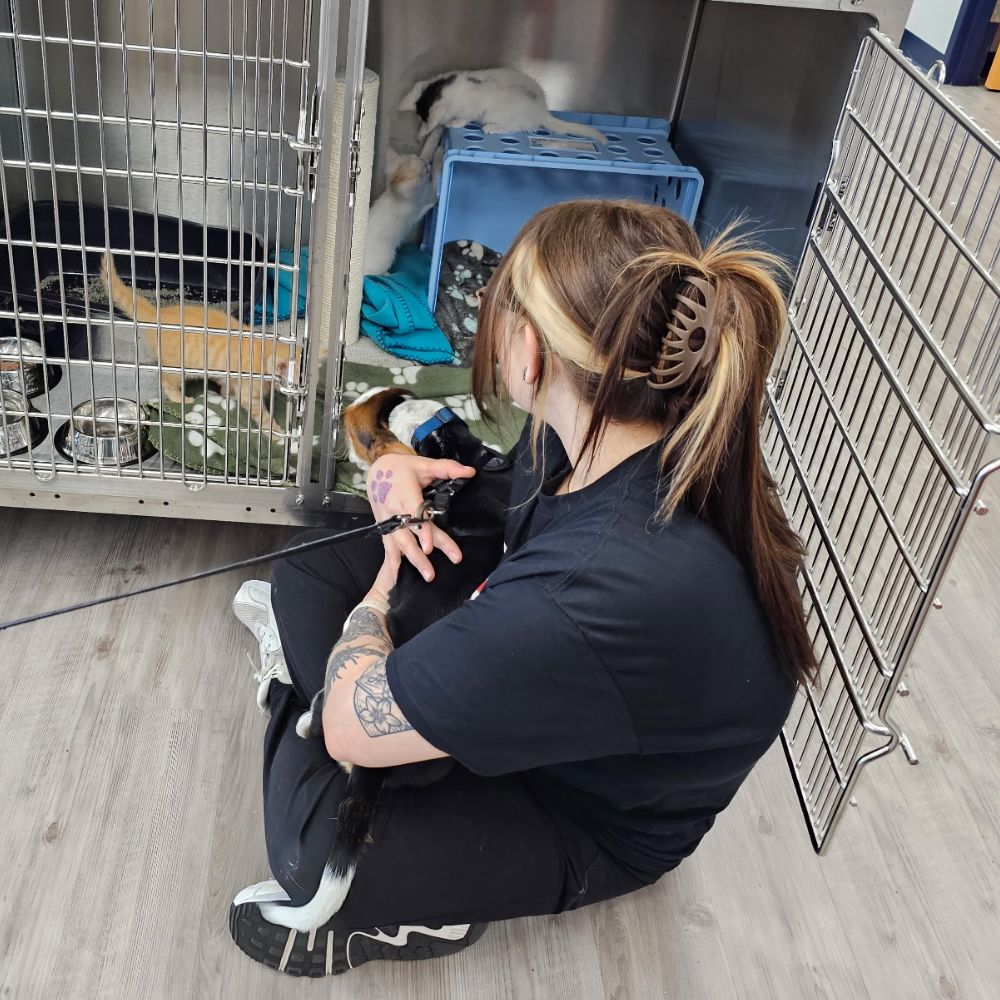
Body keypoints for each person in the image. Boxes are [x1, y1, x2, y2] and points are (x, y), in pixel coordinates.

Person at [228, 200, 815, 977]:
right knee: (305, 569)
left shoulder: (590, 591)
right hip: (566, 682)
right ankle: (394, 712)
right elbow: (502, 491)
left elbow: (347, 727)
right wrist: (394, 472)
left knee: (314, 842)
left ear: (530, 352)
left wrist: (374, 606)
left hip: (585, 815)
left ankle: (298, 700)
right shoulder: (618, 430)